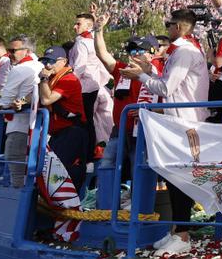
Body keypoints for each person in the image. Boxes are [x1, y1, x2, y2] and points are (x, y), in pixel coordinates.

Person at [121, 8, 210, 256]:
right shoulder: (183, 50)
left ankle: (181, 234)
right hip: (179, 121)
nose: (167, 28)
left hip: (183, 122)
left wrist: (140, 76)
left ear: (180, 28)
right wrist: (148, 72)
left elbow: (168, 88)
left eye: (169, 24)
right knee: (174, 178)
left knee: (179, 179)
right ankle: (177, 232)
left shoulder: (184, 51)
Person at [93, 28, 163, 184]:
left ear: (152, 54)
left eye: (139, 50)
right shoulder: (122, 70)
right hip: (120, 130)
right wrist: (98, 30)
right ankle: (105, 206)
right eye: (132, 50)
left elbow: (170, 106)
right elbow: (102, 54)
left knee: (139, 172)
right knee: (106, 167)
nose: (134, 54)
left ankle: (140, 207)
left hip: (145, 132)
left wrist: (148, 111)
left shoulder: (161, 74)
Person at [37, 46, 89, 190]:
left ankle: (71, 203)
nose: (48, 65)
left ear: (64, 61)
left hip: (72, 132)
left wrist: (44, 78)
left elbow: (47, 99)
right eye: (45, 61)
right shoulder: (51, 80)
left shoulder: (68, 79)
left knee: (64, 170)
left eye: (52, 61)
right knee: (50, 169)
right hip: (58, 133)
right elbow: (36, 98)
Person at [0, 36, 42, 187]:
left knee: (16, 173)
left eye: (13, 50)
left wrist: (0, 105)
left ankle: (20, 203)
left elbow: (4, 102)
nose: (9, 54)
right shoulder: (40, 65)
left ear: (26, 51)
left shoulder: (20, 69)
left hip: (18, 128)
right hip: (37, 128)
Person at [67, 11, 111, 158]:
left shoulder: (82, 42)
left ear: (88, 25)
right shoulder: (91, 40)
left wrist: (67, 87)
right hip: (94, 86)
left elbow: (79, 67)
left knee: (83, 122)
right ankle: (91, 152)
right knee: (89, 121)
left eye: (78, 24)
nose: (74, 26)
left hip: (83, 87)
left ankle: (85, 154)